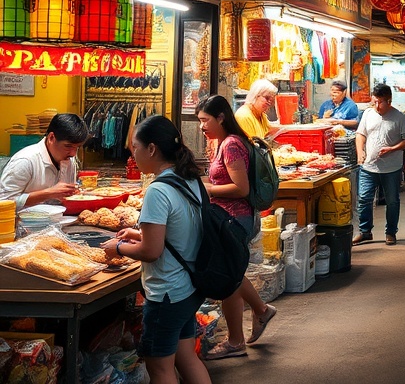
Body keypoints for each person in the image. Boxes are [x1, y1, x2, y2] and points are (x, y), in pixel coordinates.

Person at [100, 115, 211, 384]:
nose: (132, 154)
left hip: (167, 294)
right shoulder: (190, 179)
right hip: (189, 287)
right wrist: (139, 233)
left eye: (135, 147)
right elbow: (181, 230)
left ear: (152, 149)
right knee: (186, 357)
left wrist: (118, 247)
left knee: (160, 369)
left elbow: (151, 251)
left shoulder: (158, 191)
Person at [196, 96, 277, 360]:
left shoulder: (231, 144)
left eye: (204, 120)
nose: (201, 126)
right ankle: (261, 312)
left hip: (234, 220)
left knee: (227, 277)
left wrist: (206, 189)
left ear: (220, 118)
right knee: (231, 274)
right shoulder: (223, 142)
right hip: (228, 219)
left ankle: (235, 341)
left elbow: (240, 188)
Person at [353, 84, 405, 245]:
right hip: (368, 167)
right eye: (374, 102)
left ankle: (391, 232)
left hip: (391, 168)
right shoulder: (368, 114)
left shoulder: (399, 117)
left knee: (392, 201)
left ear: (389, 101)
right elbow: (360, 135)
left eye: (380, 102)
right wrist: (360, 152)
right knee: (364, 199)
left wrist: (393, 149)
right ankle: (365, 231)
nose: (376, 106)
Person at [0, 113, 86, 209]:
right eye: (68, 146)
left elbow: (66, 197)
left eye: (77, 147)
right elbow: (4, 202)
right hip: (23, 222)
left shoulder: (70, 159)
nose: (73, 153)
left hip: (58, 219)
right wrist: (48, 193)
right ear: (51, 138)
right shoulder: (25, 161)